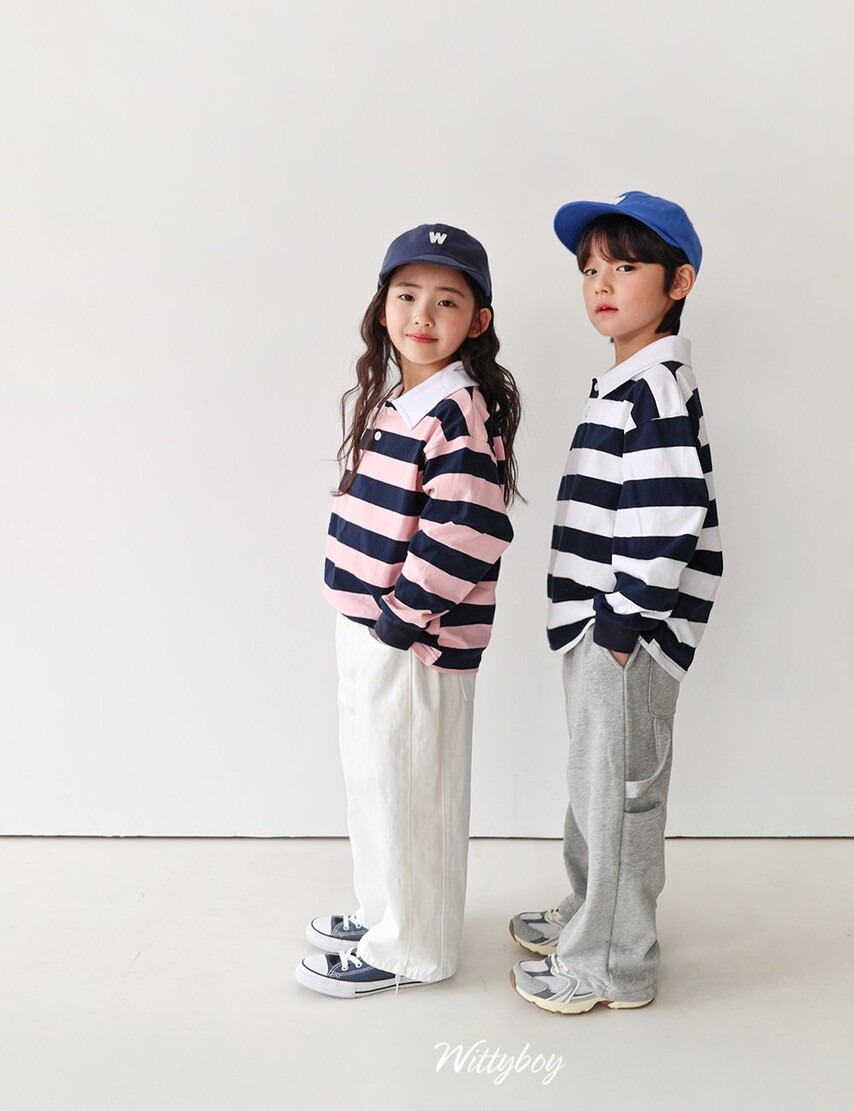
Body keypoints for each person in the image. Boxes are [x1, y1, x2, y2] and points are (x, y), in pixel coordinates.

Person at [509, 191, 722, 1013]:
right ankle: (586, 911)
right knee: (596, 776)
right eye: (590, 268)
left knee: (625, 788)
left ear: (678, 281)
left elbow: (669, 514)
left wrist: (624, 619)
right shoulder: (626, 382)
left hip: (625, 628)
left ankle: (612, 961)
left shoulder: (655, 388)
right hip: (598, 622)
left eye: (626, 266)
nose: (601, 283)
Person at [297, 224, 521, 999]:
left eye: (447, 300)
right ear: (382, 306)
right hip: (367, 630)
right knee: (375, 782)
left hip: (415, 640)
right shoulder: (399, 402)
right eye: (407, 295)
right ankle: (382, 914)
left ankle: (413, 948)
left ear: (477, 321)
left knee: (413, 793)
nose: (422, 314)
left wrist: (401, 619)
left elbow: (469, 530)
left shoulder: (457, 413)